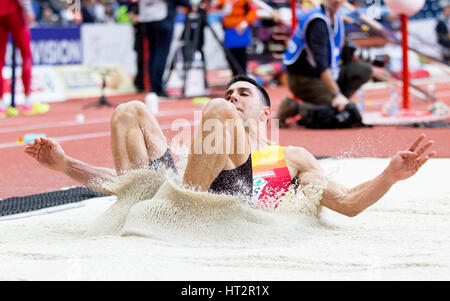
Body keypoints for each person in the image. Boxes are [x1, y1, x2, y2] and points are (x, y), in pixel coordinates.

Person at [25, 74, 436, 217]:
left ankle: (181, 206)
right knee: (129, 110)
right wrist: (66, 165)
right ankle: (171, 207)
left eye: (244, 93)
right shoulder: (196, 153)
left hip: (223, 206)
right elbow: (129, 183)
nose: (234, 96)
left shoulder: (291, 158)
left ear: (263, 114)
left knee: (215, 115)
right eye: (230, 91)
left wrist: (388, 176)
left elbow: (346, 203)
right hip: (176, 195)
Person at [277, 0, 373, 128]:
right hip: (304, 79)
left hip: (325, 74)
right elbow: (321, 65)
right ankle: (295, 107)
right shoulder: (317, 22)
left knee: (364, 70)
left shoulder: (336, 18)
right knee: (338, 115)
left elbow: (337, 49)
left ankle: (334, 102)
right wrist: (337, 95)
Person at [0, 0, 50, 118]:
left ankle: (1, 105)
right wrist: (28, 10)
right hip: (14, 11)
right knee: (26, 55)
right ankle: (28, 103)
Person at [134, 0, 191, 97]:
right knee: (160, 54)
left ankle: (154, 86)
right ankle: (157, 87)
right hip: (161, 17)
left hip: (146, 18)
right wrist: (189, 5)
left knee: (153, 54)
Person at [215, 0, 258, 76]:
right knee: (230, 55)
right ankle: (235, 75)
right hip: (228, 29)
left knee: (240, 55)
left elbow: (253, 11)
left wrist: (245, 22)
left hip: (240, 28)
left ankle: (242, 75)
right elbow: (218, 6)